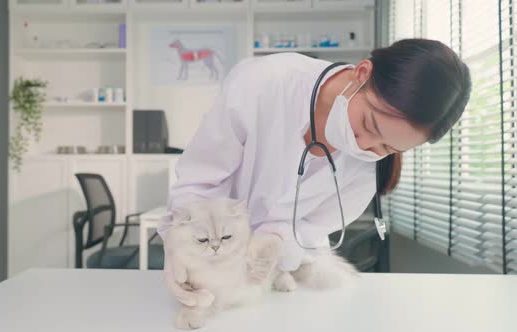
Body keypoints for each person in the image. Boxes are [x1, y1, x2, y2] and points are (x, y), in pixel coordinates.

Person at [158, 38, 472, 305]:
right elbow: (199, 181)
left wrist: (276, 241)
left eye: (388, 147)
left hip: (287, 280)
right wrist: (179, 245)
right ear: (362, 73)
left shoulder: (367, 172)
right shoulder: (266, 83)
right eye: (367, 125)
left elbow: (310, 230)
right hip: (209, 263)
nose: (364, 146)